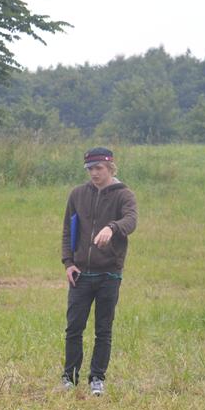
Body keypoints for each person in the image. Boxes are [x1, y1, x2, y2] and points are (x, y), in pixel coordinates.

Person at [60, 147, 137, 396]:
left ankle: (97, 379)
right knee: (74, 328)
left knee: (103, 329)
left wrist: (112, 228)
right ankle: (69, 378)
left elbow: (131, 221)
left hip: (108, 274)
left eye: (98, 168)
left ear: (111, 168)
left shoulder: (124, 195)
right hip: (80, 273)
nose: (94, 173)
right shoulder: (78, 195)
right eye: (90, 169)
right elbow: (67, 231)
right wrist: (68, 262)